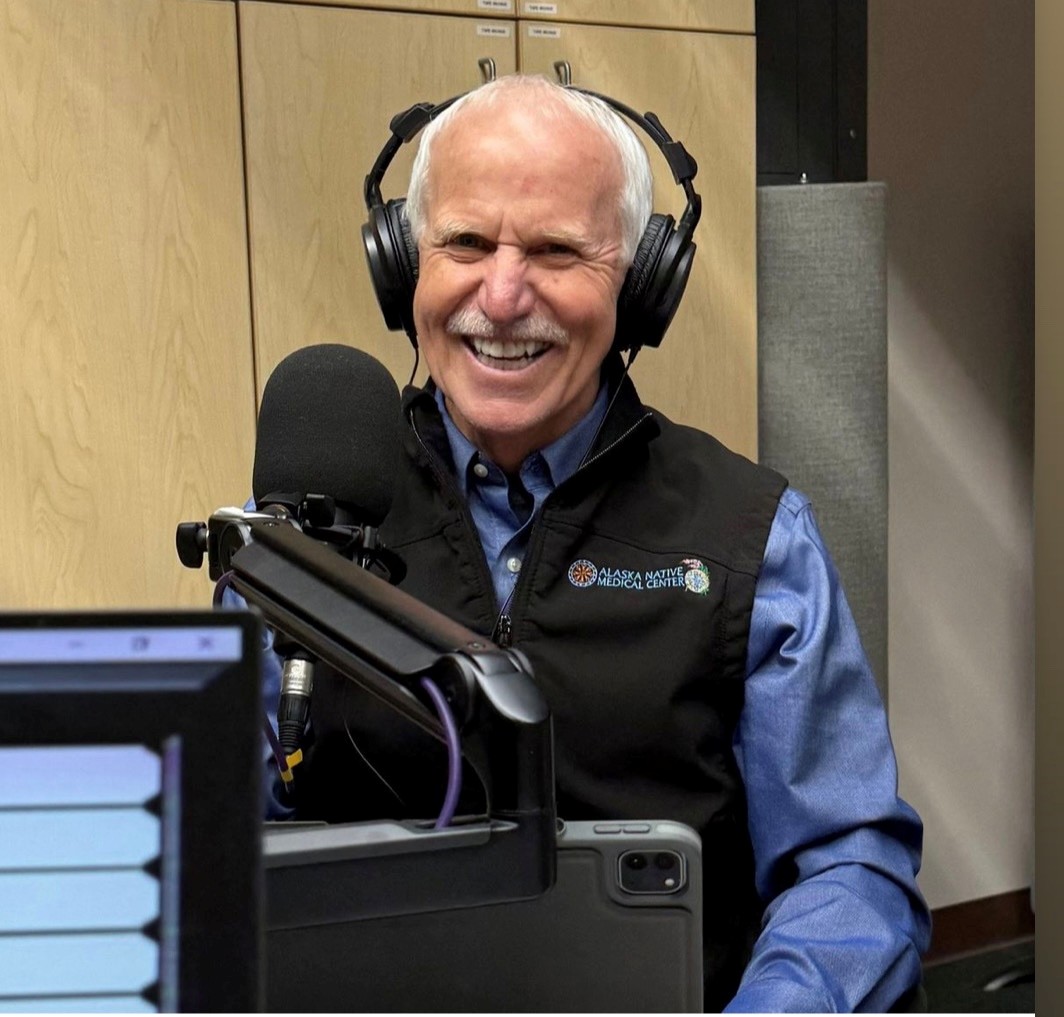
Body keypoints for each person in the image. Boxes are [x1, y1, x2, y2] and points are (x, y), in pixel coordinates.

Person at [260, 75, 931, 1012]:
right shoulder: (302, 528)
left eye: (555, 250)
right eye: (463, 242)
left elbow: (847, 865)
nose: (500, 295)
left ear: (644, 286)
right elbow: (224, 848)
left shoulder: (751, 539)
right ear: (403, 264)